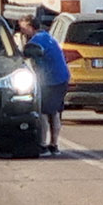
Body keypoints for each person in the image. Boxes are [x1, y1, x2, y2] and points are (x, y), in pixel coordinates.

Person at [20, 16, 71, 155]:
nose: (22, 31)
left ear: (31, 27)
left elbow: (24, 55)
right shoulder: (46, 36)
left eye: (24, 27)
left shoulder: (36, 41)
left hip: (51, 79)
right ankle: (54, 145)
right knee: (54, 112)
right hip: (62, 78)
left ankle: (43, 145)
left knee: (42, 111)